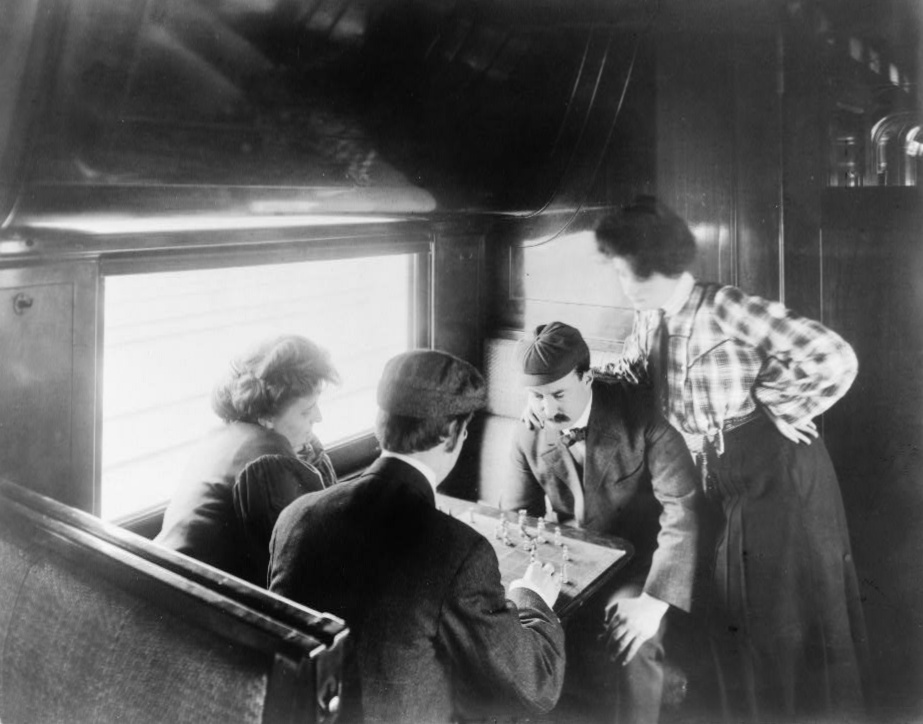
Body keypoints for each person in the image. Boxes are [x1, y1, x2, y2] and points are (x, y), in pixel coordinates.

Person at [594, 196, 868, 723]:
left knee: (778, 627)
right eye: (620, 271)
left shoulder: (725, 307)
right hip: (722, 480)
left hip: (777, 475)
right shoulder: (649, 317)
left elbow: (834, 356)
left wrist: (780, 402)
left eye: (630, 272)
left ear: (659, 265)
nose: (624, 283)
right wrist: (578, 382)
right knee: (738, 623)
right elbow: (630, 372)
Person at [269, 350, 565, 724]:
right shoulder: (461, 552)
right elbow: (536, 686)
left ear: (381, 423)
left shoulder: (295, 517)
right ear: (453, 435)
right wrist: (532, 596)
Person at [509, 321, 701, 724]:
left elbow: (683, 512)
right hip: (570, 568)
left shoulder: (643, 420)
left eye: (558, 394)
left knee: (632, 634)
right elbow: (518, 519)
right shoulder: (528, 432)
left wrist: (653, 603)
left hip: (638, 567)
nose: (546, 409)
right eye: (536, 396)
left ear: (587, 377)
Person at [156, 334, 339, 587]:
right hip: (200, 600)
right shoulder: (270, 462)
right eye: (306, 410)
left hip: (166, 584)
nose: (318, 417)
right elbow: (306, 565)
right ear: (266, 416)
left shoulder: (221, 437)